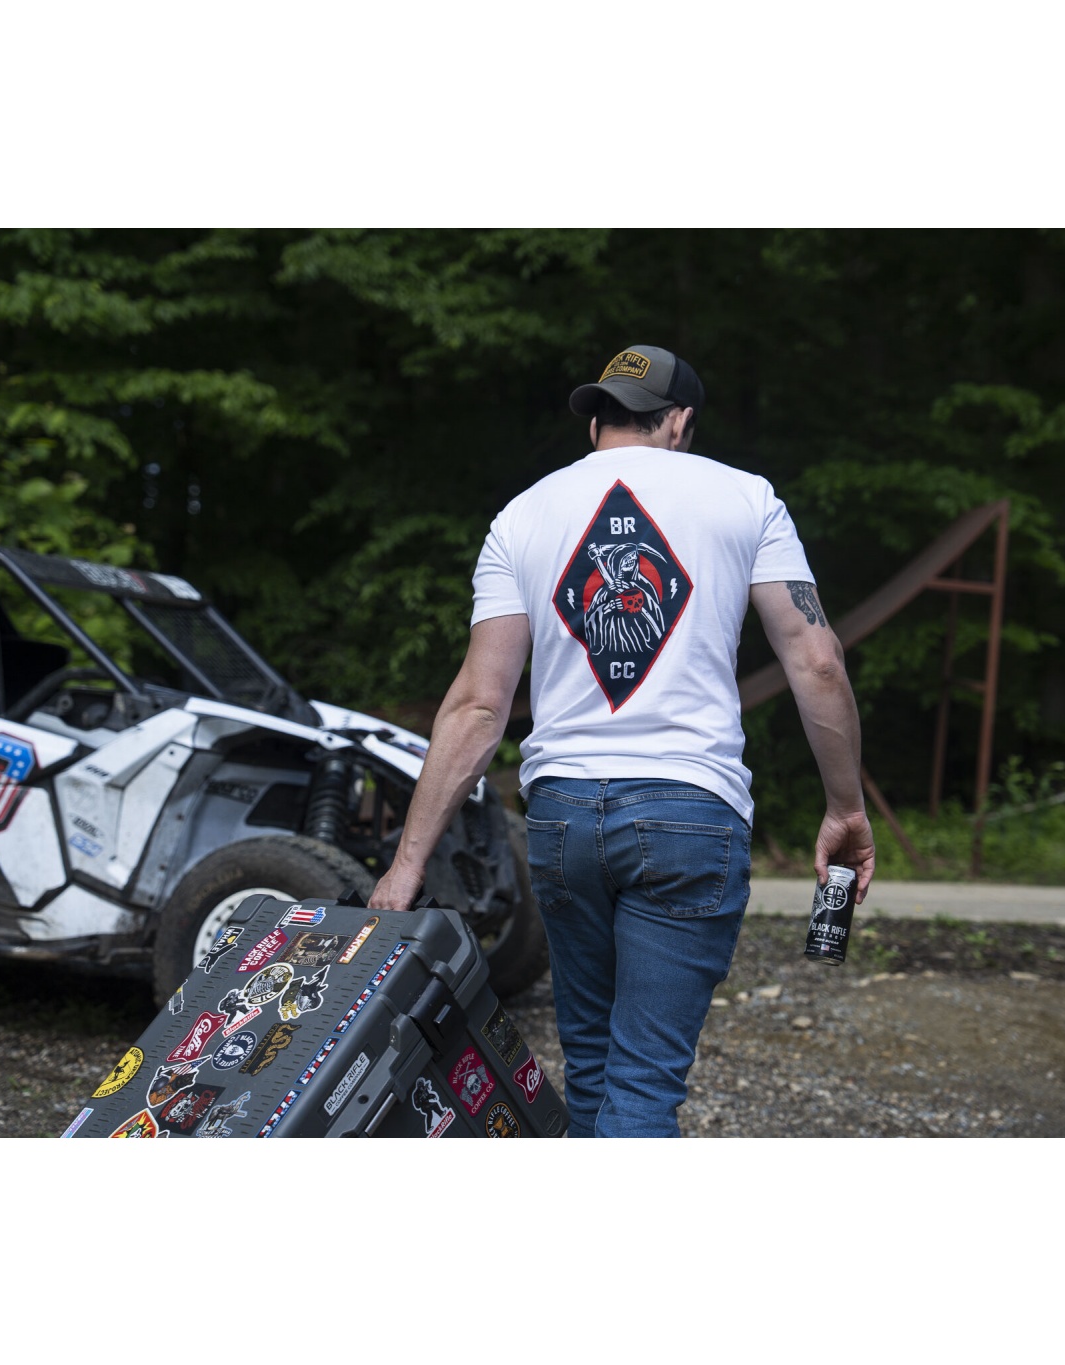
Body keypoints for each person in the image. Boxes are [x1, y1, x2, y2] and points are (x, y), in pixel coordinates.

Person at [369, 345, 874, 1137]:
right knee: (642, 1087)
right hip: (688, 811)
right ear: (679, 423)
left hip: (562, 816)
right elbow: (816, 661)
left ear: (595, 422)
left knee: (594, 1069)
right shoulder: (746, 498)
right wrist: (844, 806)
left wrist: (406, 865)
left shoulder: (522, 515)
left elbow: (477, 705)